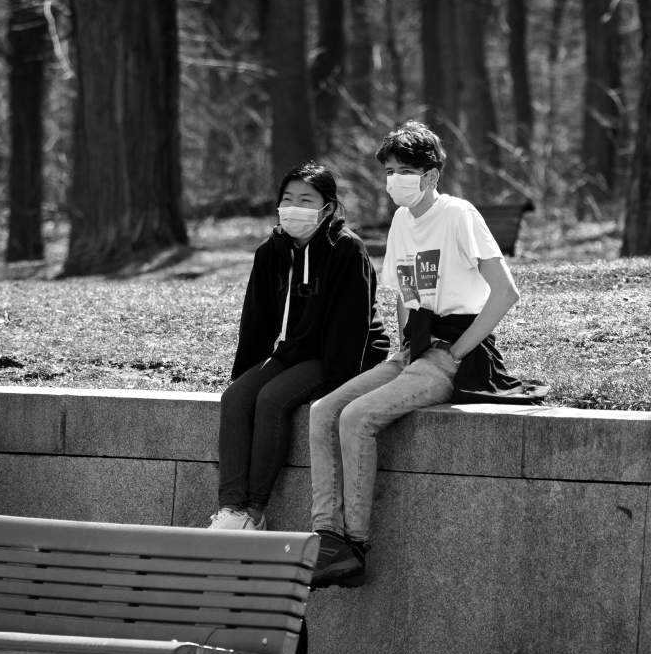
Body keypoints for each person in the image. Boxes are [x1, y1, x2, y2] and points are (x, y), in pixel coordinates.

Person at [308, 120, 528, 588]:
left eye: (404, 169)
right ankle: (326, 536)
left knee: (356, 417)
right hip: (414, 349)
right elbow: (403, 294)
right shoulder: (402, 221)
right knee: (325, 410)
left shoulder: (459, 215)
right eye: (389, 169)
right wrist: (405, 350)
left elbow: (506, 293)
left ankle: (354, 544)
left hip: (457, 349)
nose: (394, 180)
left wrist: (457, 350)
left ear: (431, 173)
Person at [209, 161, 391, 531]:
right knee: (237, 398)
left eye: (306, 200)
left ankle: (255, 512)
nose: (294, 207)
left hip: (345, 352)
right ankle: (230, 508)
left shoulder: (347, 250)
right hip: (296, 349)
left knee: (272, 399)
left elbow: (350, 326)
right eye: (288, 199)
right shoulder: (271, 252)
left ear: (327, 207)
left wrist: (340, 382)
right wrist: (246, 375)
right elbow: (257, 323)